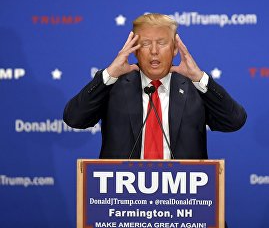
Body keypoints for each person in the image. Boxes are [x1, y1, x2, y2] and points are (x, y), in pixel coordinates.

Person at [63, 13, 247, 159]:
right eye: (145, 44)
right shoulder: (113, 86)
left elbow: (234, 121)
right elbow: (74, 119)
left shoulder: (196, 88)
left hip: (183, 199)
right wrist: (109, 74)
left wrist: (199, 77)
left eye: (161, 43)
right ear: (134, 49)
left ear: (175, 48)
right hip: (122, 199)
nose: (153, 51)